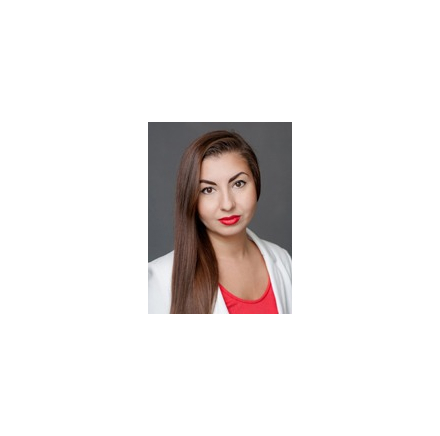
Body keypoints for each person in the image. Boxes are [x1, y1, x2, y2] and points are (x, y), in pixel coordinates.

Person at [148, 130, 292, 314]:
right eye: (208, 190)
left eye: (238, 184)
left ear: (256, 182)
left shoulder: (283, 260)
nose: (227, 204)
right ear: (191, 197)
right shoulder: (160, 279)